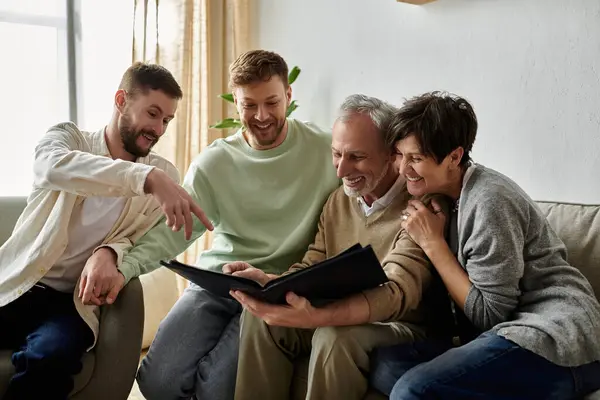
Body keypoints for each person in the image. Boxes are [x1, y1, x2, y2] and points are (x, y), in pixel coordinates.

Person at [129, 49, 340, 400]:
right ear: (235, 103)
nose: (261, 116)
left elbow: (368, 189)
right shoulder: (216, 161)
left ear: (288, 96)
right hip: (217, 282)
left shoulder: (326, 150)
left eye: (272, 102)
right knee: (156, 381)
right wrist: (122, 266)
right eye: (249, 105)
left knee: (218, 390)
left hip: (277, 289)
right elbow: (172, 231)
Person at [0, 62, 213, 400]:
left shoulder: (163, 172)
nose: (158, 128)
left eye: (167, 120)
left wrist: (112, 251)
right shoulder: (69, 138)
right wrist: (144, 179)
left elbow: (147, 240)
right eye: (153, 113)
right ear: (120, 100)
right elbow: (50, 167)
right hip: (17, 281)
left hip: (71, 304)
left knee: (52, 358)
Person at [369, 91, 600, 399]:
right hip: (501, 337)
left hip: (556, 340)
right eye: (400, 155)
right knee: (385, 366)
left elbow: (490, 314)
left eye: (416, 158)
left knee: (413, 390)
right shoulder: (443, 198)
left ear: (454, 156)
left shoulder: (489, 201)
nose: (403, 169)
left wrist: (432, 243)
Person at [228, 94, 451, 400]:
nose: (341, 170)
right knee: (259, 318)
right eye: (337, 154)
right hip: (337, 310)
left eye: (356, 157)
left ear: (391, 155)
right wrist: (270, 282)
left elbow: (398, 292)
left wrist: (322, 317)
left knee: (335, 337)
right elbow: (313, 264)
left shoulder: (420, 207)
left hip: (400, 325)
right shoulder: (338, 201)